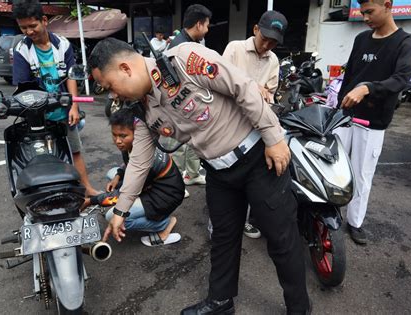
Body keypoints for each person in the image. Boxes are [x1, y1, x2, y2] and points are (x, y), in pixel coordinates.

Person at [88, 38, 310, 314]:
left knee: (281, 238)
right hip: (218, 173)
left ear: (125, 68)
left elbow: (241, 86)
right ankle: (221, 302)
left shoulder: (183, 60)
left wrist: (274, 136)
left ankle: (299, 308)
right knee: (223, 240)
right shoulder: (142, 109)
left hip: (257, 159)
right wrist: (121, 209)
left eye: (110, 86)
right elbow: (139, 161)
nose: (112, 96)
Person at [335, 0, 411, 244]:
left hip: (372, 122)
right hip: (345, 116)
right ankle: (327, 216)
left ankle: (355, 222)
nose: (365, 18)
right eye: (362, 13)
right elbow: (350, 75)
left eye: (369, 12)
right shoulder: (361, 39)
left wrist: (368, 89)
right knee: (335, 169)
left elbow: (401, 79)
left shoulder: (405, 42)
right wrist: (339, 104)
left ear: (388, 5)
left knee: (361, 174)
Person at [11, 0, 98, 196]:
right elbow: (24, 87)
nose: (28, 31)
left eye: (32, 26)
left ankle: (87, 189)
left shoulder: (63, 44)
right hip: (37, 116)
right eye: (23, 27)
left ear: (44, 20)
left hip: (64, 112)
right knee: (42, 157)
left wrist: (74, 106)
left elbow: (71, 77)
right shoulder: (21, 51)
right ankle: (49, 196)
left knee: (74, 151)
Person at [223, 10, 287, 239]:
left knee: (253, 176)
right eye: (265, 38)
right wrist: (251, 87)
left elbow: (271, 91)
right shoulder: (234, 49)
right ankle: (219, 224)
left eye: (273, 42)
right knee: (226, 177)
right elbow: (221, 83)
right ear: (256, 29)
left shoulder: (273, 60)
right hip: (229, 124)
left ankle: (247, 219)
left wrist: (267, 94)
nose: (267, 44)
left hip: (256, 126)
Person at [82, 107, 184, 246]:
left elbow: (128, 192)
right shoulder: (133, 146)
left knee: (112, 216)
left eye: (123, 136)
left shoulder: (147, 157)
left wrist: (92, 201)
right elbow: (130, 165)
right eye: (114, 135)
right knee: (111, 173)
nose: (118, 141)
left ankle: (163, 223)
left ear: (138, 133)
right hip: (152, 185)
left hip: (165, 196)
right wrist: (118, 176)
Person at [167, 4, 213, 197]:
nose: (208, 29)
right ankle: (176, 184)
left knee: (195, 143)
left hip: (196, 103)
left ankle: (193, 174)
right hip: (179, 104)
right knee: (177, 145)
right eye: (207, 25)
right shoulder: (179, 46)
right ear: (199, 24)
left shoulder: (194, 43)